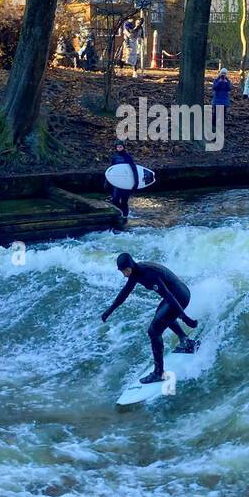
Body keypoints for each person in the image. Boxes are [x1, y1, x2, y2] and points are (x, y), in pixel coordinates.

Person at [101, 252, 198, 384]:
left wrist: (184, 316)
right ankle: (186, 342)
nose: (124, 274)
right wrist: (109, 310)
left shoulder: (148, 273)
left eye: (125, 271)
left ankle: (159, 373)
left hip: (179, 296)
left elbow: (168, 295)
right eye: (122, 271)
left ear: (130, 266)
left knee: (153, 331)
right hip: (176, 295)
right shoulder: (136, 273)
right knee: (160, 315)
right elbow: (124, 293)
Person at [109, 138, 138, 222]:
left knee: (124, 201)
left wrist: (136, 182)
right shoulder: (114, 157)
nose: (119, 149)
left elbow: (134, 170)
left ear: (123, 147)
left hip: (126, 183)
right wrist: (107, 182)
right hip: (117, 183)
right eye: (117, 147)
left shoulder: (128, 157)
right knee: (115, 200)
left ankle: (125, 217)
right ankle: (119, 214)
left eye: (120, 147)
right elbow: (111, 170)